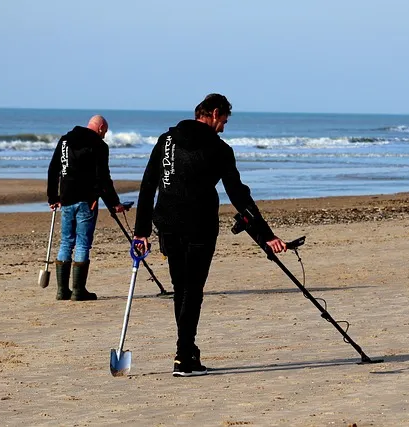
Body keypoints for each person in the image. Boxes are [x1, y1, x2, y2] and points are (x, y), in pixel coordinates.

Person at [133, 94, 286, 377]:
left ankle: (188, 352)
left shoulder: (166, 141)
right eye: (224, 120)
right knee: (192, 291)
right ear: (215, 113)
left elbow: (148, 186)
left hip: (166, 223)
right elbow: (238, 194)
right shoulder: (218, 149)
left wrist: (140, 232)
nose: (224, 127)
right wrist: (266, 235)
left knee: (182, 289)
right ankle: (183, 355)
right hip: (198, 226)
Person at [47, 115, 125, 301]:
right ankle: (78, 291)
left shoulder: (65, 140)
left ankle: (62, 290)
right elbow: (103, 178)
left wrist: (53, 197)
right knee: (82, 243)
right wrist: (114, 203)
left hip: (66, 198)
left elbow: (54, 168)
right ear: (100, 128)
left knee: (66, 241)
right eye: (104, 132)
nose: (104, 135)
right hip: (86, 200)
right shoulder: (98, 145)